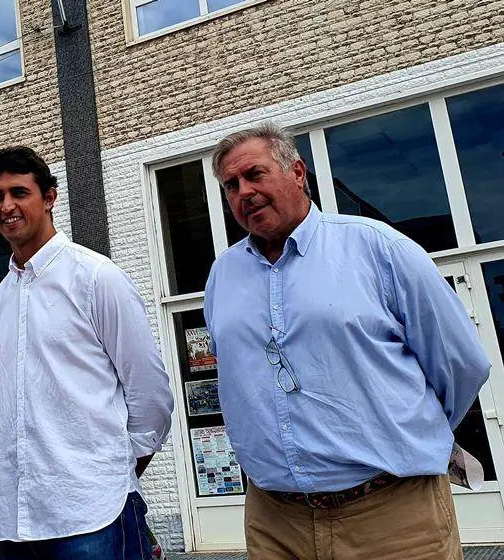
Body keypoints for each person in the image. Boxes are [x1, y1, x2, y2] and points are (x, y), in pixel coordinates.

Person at [203, 122, 492, 559]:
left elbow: (461, 363)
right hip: (275, 522)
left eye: (255, 174)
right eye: (231, 185)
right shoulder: (222, 275)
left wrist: (406, 432)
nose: (244, 191)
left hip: (392, 514)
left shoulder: (377, 249)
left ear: (298, 173)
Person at [0, 146, 175, 559]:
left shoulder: (96, 278)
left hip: (94, 516)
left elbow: (151, 397)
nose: (7, 206)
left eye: (19, 192)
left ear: (50, 197)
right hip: (20, 521)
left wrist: (114, 473)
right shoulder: (0, 299)